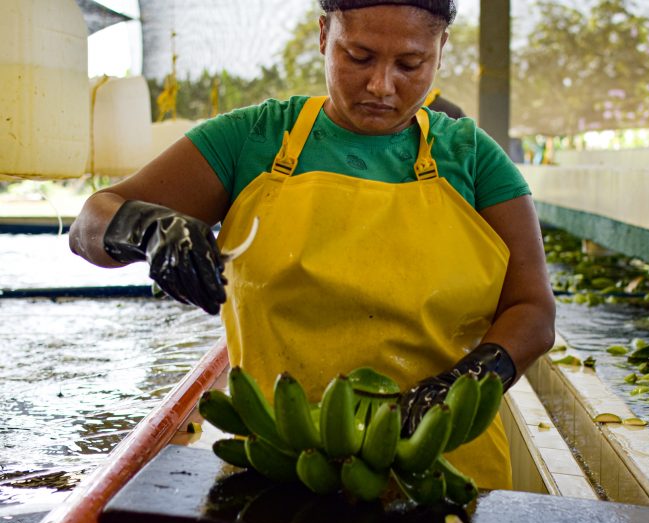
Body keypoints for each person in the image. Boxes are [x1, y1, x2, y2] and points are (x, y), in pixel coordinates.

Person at [69, 0, 555, 490]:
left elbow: (532, 308)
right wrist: (148, 230)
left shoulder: (472, 158)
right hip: (284, 466)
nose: (381, 86)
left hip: (443, 469)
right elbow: (89, 223)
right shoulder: (252, 139)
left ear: (441, 49)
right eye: (359, 56)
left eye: (410, 64)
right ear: (324, 35)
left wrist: (461, 384)